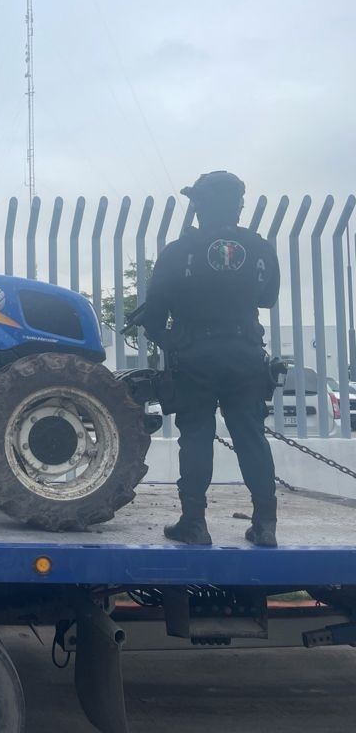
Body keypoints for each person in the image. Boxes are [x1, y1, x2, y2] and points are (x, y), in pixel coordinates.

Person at [140, 170, 281, 547]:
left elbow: (153, 317)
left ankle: (194, 523)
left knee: (196, 437)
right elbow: (268, 298)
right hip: (245, 352)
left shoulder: (178, 252)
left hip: (195, 356)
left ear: (199, 207)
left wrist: (174, 342)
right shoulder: (259, 248)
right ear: (238, 207)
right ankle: (265, 524)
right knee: (251, 436)